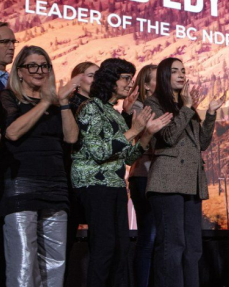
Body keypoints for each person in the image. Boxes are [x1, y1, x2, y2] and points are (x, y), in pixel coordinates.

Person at [72, 58, 171, 287]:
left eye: (131, 78)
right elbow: (98, 151)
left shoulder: (114, 113)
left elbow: (127, 158)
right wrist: (134, 130)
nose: (130, 84)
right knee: (104, 248)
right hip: (94, 185)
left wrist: (146, 135)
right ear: (110, 80)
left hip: (115, 186)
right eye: (126, 78)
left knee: (121, 249)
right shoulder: (91, 108)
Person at [0, 46, 81, 286]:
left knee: (55, 262)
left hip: (56, 184)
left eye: (44, 66)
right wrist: (45, 102)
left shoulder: (56, 104)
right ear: (20, 71)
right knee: (24, 262)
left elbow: (71, 138)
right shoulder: (9, 97)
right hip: (22, 183)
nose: (39, 71)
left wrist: (62, 102)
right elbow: (13, 132)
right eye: (32, 66)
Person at [145, 58, 225, 287]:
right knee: (173, 245)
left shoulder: (183, 104)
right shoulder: (153, 103)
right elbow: (169, 137)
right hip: (167, 181)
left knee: (193, 248)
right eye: (174, 71)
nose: (181, 75)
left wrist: (210, 114)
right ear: (164, 75)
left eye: (183, 71)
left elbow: (202, 143)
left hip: (191, 181)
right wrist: (187, 108)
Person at [64, 61, 99, 258]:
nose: (96, 80)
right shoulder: (71, 105)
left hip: (94, 178)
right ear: (77, 80)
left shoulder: (100, 107)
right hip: (74, 177)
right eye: (91, 75)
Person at [128, 64, 157, 287]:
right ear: (146, 85)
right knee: (148, 235)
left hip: (159, 176)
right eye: (158, 79)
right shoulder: (139, 106)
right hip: (143, 175)